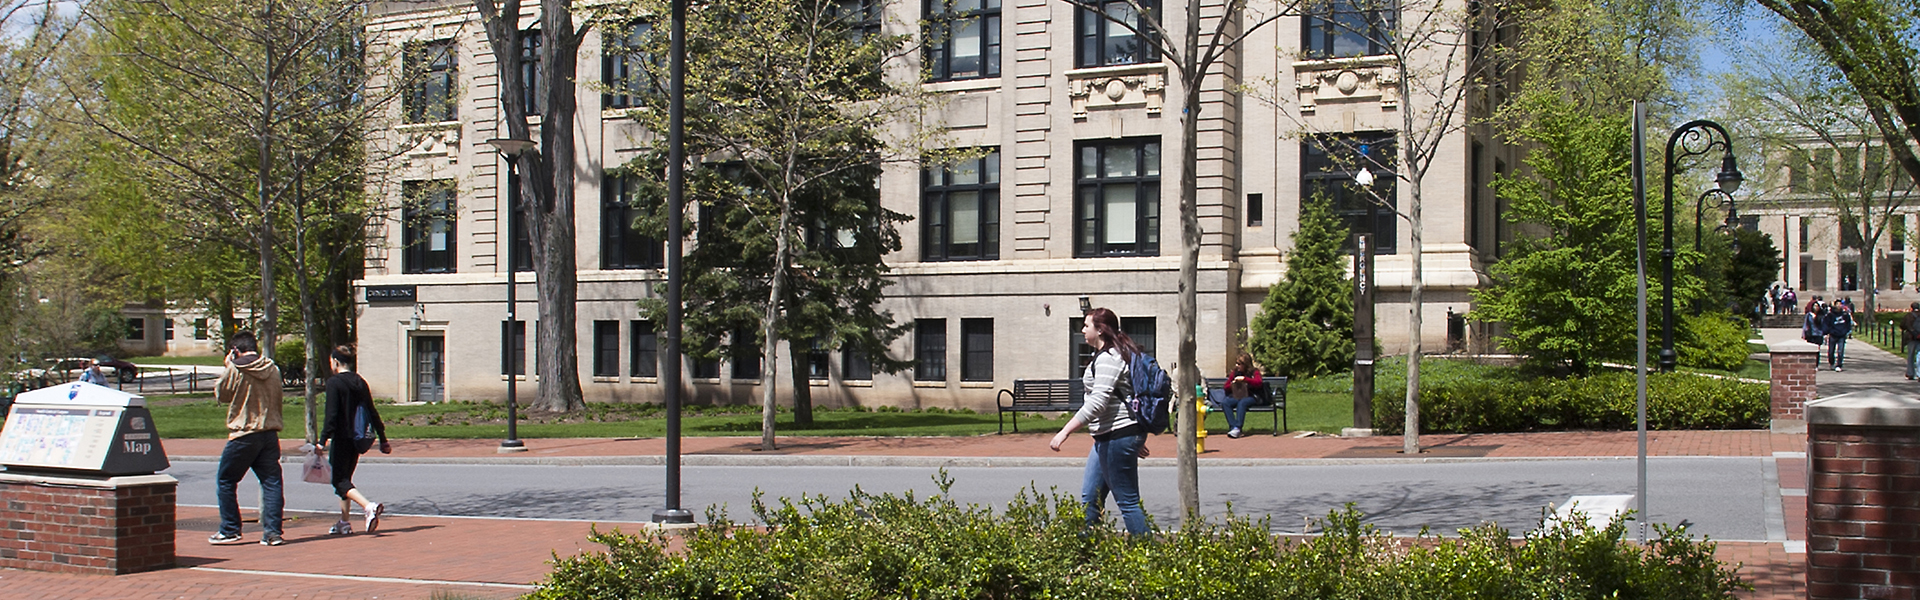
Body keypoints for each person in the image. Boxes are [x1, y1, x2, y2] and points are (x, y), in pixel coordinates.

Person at [1048, 307, 1149, 536]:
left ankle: (1149, 556)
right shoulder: (1110, 355)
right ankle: (1087, 549)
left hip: (1116, 436)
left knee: (1128, 501)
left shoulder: (1109, 358)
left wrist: (1065, 431)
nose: (1082, 330)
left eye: (1086, 325)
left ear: (1100, 330)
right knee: (1090, 497)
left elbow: (1098, 402)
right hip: (1111, 437)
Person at [209, 332, 286, 546]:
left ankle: (230, 529)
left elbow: (222, 395)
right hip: (269, 432)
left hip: (243, 433)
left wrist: (227, 367)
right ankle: (272, 533)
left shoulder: (236, 368)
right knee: (271, 482)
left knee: (226, 480)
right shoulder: (272, 368)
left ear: (235, 349)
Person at [316, 345, 391, 536]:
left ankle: (368, 506)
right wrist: (383, 438)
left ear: (334, 361)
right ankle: (344, 522)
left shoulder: (334, 383)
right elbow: (372, 411)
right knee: (346, 480)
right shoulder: (360, 381)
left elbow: (331, 415)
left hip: (341, 437)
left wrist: (322, 440)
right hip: (358, 438)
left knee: (339, 481)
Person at [1208, 352, 1264, 439]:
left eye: (1239, 364)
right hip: (1237, 395)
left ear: (1245, 364)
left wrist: (1245, 380)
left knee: (1242, 403)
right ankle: (1234, 427)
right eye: (1237, 363)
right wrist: (1233, 384)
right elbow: (1226, 386)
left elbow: (1259, 382)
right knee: (1226, 403)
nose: (1237, 365)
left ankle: (1238, 427)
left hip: (1252, 396)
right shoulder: (1235, 372)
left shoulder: (1254, 372)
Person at [1824, 299, 1854, 372]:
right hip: (1833, 334)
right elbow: (1826, 324)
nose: (1839, 306)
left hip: (1842, 335)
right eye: (1837, 304)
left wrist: (1847, 331)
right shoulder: (1830, 315)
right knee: (1831, 351)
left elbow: (1848, 324)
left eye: (1840, 304)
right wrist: (1826, 333)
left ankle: (1839, 365)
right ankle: (1831, 363)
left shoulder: (1845, 314)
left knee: (1840, 351)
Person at [1901, 302, 1920, 380]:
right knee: (1919, 355)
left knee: (1911, 355)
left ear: (1911, 308)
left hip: (1911, 338)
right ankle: (1919, 373)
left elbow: (1902, 325)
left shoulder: (1908, 316)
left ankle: (1910, 373)